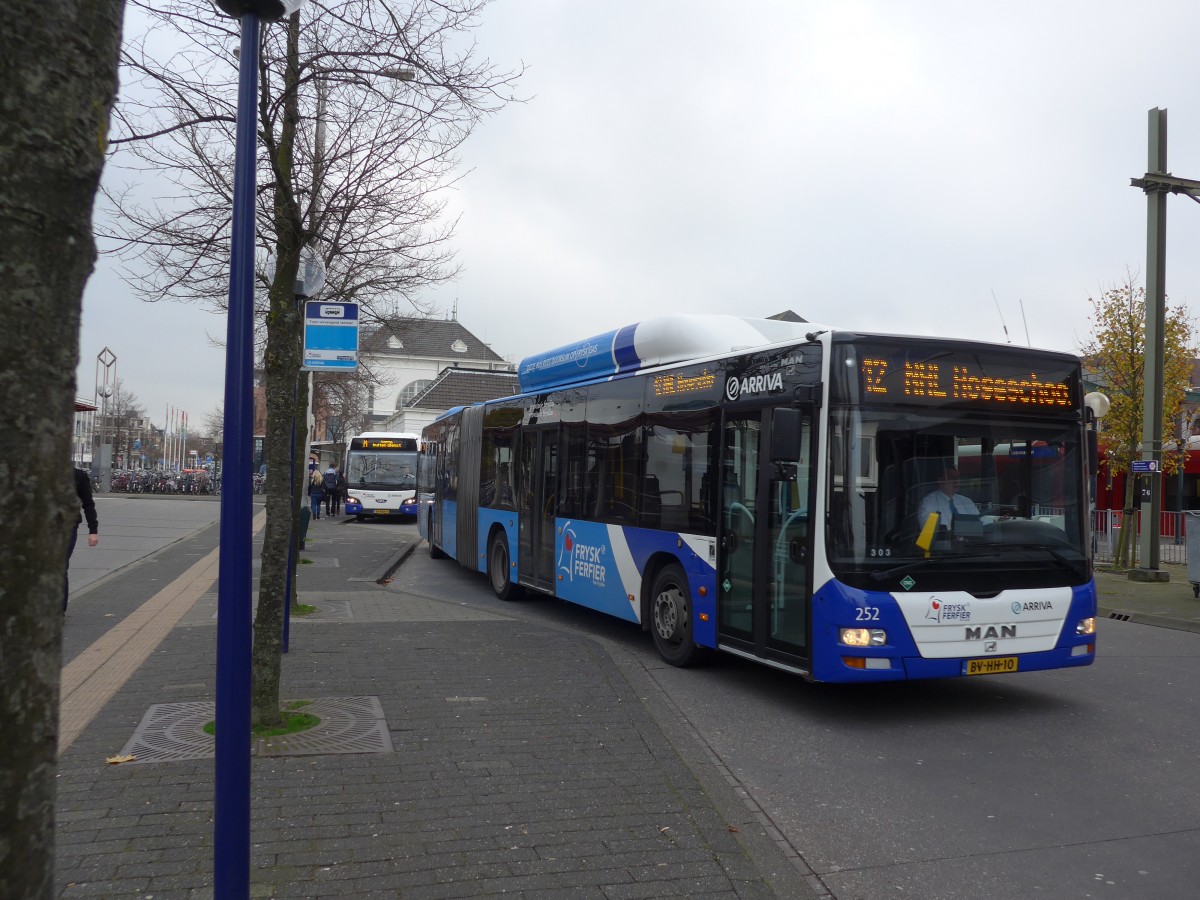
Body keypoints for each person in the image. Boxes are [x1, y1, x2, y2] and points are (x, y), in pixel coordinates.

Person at [65, 466, 99, 612]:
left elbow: (88, 504)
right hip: (40, 529)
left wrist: (93, 530)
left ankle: (59, 611)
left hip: (68, 528)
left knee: (60, 567)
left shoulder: (78, 475)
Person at [916, 464, 979, 531]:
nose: (956, 481)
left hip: (970, 541)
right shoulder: (929, 503)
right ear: (940, 480)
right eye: (951, 477)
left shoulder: (967, 502)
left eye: (958, 477)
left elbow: (979, 526)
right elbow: (928, 533)